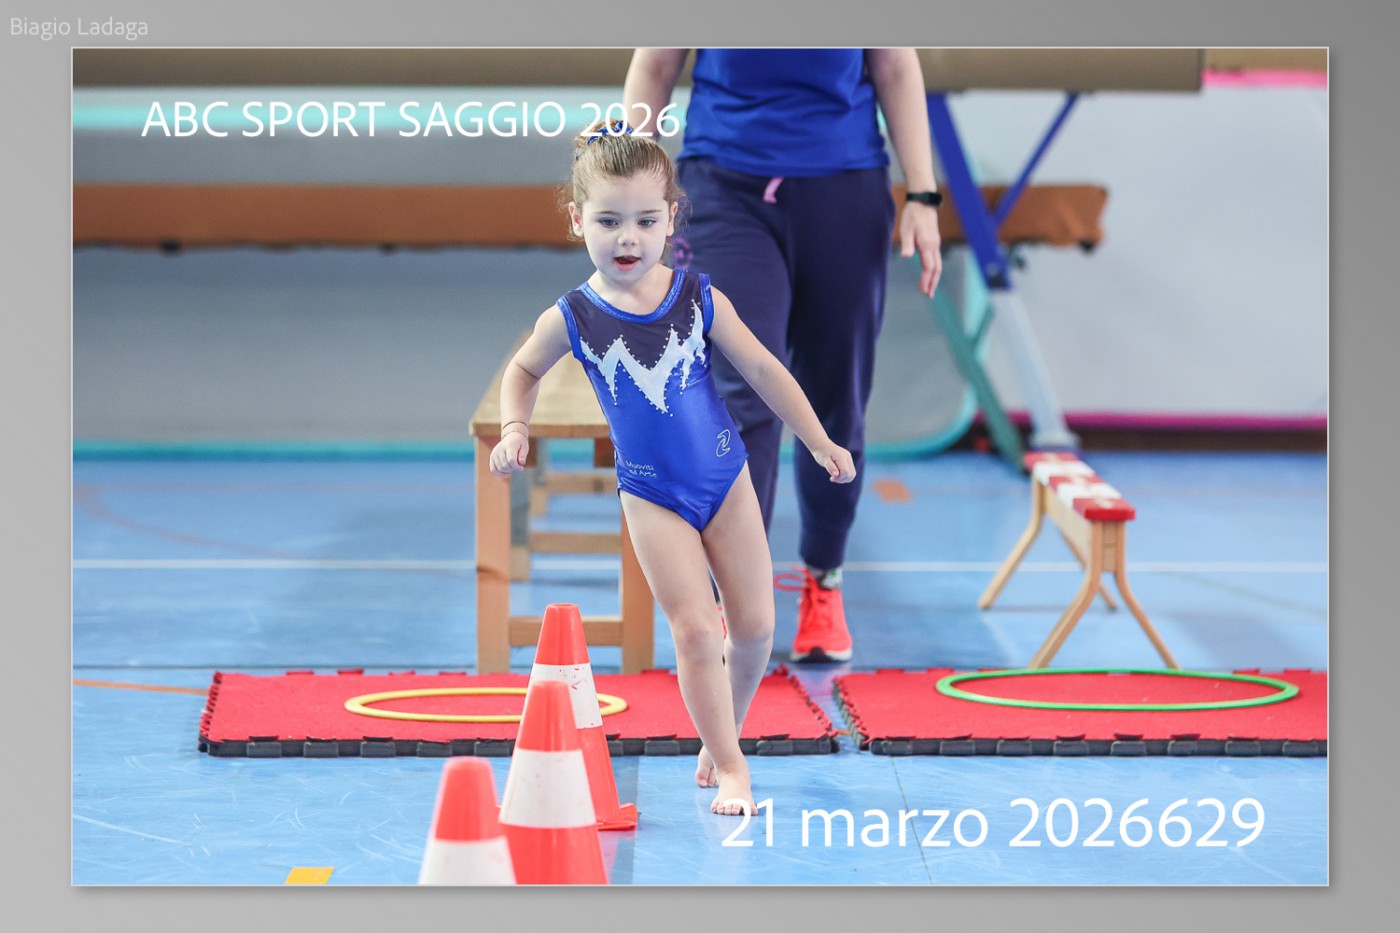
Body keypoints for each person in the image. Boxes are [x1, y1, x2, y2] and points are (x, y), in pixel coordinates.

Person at [489, 119, 855, 816]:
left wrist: (817, 440)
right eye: (608, 221)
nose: (627, 238)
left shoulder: (697, 296)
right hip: (652, 494)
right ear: (577, 220)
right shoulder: (573, 316)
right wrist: (515, 428)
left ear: (671, 219)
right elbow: (522, 370)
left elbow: (764, 368)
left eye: (645, 220)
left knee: (755, 629)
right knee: (695, 630)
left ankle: (721, 736)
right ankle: (733, 766)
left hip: (725, 479)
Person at [623, 48, 944, 664]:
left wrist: (923, 196)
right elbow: (655, 66)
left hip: (844, 186)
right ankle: (735, 598)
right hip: (724, 184)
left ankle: (825, 578)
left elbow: (896, 68)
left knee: (836, 397)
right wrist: (634, 188)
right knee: (741, 396)